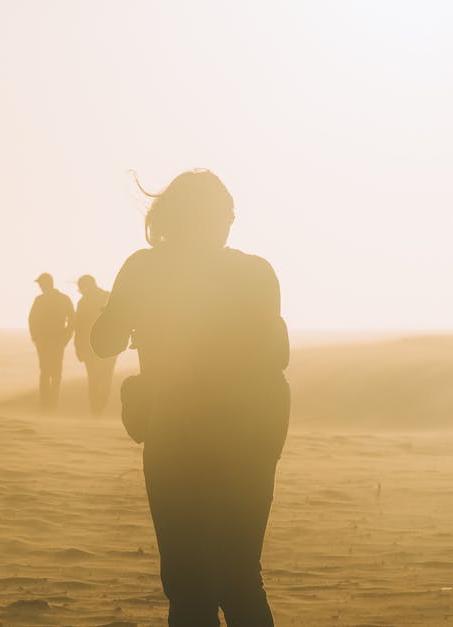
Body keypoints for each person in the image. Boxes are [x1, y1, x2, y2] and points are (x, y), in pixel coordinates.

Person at [92, 169, 290, 626]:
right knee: (241, 578)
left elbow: (104, 342)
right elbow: (276, 355)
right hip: (249, 438)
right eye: (226, 215)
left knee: (189, 585)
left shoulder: (146, 267)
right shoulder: (256, 272)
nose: (229, 223)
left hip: (176, 435)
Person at [28, 273, 75, 411]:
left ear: (47, 283)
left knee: (51, 372)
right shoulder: (44, 299)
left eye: (41, 284)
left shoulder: (59, 299)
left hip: (54, 340)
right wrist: (36, 336)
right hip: (47, 341)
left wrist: (65, 338)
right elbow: (32, 319)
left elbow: (72, 319)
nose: (40, 287)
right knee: (48, 371)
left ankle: (49, 404)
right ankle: (47, 403)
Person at [74, 274, 117, 415]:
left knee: (95, 380)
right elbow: (78, 327)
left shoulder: (85, 301)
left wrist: (79, 348)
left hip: (96, 346)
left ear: (87, 285)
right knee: (104, 379)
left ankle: (96, 411)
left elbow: (78, 327)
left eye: (80, 288)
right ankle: (97, 411)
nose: (79, 290)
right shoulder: (107, 296)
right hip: (106, 346)